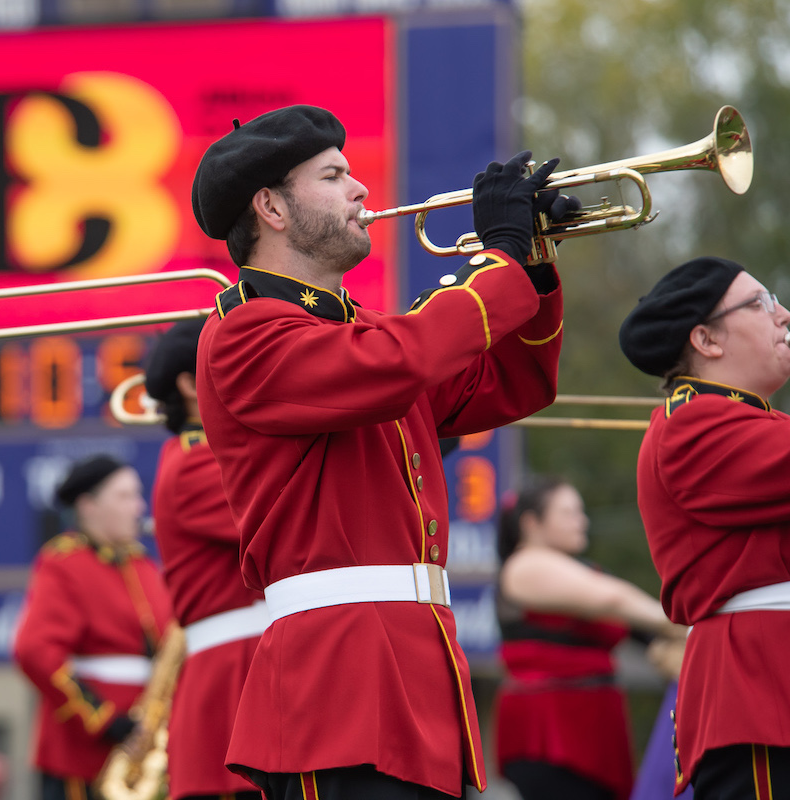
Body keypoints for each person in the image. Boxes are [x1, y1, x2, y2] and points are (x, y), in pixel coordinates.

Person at [191, 104, 578, 799]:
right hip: (334, 682)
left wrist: (534, 260)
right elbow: (402, 360)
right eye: (334, 175)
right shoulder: (245, 331)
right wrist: (497, 257)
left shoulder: (362, 332)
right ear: (271, 207)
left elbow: (514, 385)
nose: (361, 190)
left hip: (416, 668)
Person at [619, 256, 790, 797]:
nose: (783, 314)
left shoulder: (745, 419)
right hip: (760, 686)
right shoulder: (691, 422)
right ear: (707, 340)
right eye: (762, 303)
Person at [494, 476, 682, 800]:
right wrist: (687, 625)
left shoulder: (578, 571)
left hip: (588, 729)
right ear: (531, 523)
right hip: (552, 736)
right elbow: (615, 601)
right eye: (569, 513)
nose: (582, 522)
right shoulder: (524, 565)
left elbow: (633, 625)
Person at [145, 319, 265, 800]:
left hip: (248, 664)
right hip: (232, 677)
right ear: (191, 385)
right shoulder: (195, 462)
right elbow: (287, 517)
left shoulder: (214, 453)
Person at [12, 454, 175, 800]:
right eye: (125, 496)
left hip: (142, 753)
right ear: (88, 505)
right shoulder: (64, 562)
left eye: (137, 495)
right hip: (81, 753)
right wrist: (101, 717)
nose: (139, 507)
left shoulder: (144, 566)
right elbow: (35, 651)